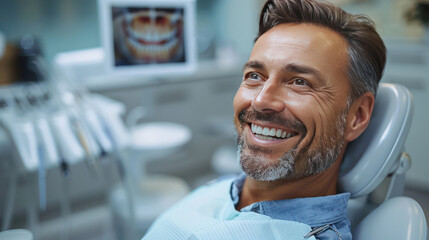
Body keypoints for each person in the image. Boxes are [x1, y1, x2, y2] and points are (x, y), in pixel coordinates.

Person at [142, 0, 386, 239]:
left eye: (300, 82)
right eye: (255, 75)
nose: (260, 101)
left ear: (357, 116)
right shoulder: (225, 188)